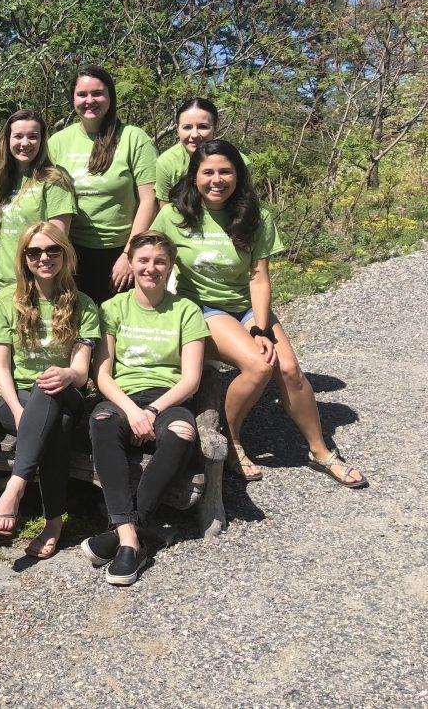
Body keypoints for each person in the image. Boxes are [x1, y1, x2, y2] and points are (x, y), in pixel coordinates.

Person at [155, 140, 367, 488]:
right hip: (202, 308)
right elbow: (153, 261)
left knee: (289, 368)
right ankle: (233, 440)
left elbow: (259, 278)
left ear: (238, 174)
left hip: (246, 305)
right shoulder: (174, 216)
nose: (217, 180)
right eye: (208, 172)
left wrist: (261, 327)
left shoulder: (256, 217)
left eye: (226, 171)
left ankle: (321, 451)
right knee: (257, 366)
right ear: (194, 177)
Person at [81, 231, 208, 587]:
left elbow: (191, 379)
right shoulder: (112, 308)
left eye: (159, 261)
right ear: (132, 263)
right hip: (121, 396)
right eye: (144, 260)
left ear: (170, 266)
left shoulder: (185, 310)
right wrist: (131, 409)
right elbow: (101, 374)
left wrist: (152, 410)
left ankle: (124, 533)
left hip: (168, 400)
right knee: (103, 421)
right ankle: (133, 539)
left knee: (183, 433)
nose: (151, 268)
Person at [0, 222, 100, 559]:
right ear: (23, 258)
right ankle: (54, 521)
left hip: (66, 393)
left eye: (53, 250)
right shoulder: (5, 301)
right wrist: (20, 413)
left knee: (48, 388)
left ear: (66, 253)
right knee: (55, 421)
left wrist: (67, 373)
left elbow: (80, 372)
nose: (44, 257)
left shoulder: (84, 304)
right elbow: (1, 369)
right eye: (34, 252)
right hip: (15, 400)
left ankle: (14, 488)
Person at [48, 66, 158, 303]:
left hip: (120, 252)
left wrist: (130, 255)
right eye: (82, 94)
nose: (90, 101)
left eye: (97, 93)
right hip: (72, 252)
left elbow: (149, 200)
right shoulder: (57, 142)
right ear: (72, 98)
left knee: (115, 327)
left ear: (110, 96)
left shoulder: (133, 138)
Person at [0, 108, 77, 290]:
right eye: (18, 136)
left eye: (33, 136)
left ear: (42, 140)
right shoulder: (0, 178)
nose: (25, 143)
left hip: (36, 285)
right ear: (7, 140)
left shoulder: (54, 180)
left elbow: (57, 242)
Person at [154, 97, 251, 206]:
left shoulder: (239, 161)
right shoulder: (166, 163)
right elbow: (164, 209)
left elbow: (245, 204)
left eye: (203, 127)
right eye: (187, 127)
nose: (194, 134)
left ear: (215, 128)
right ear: (177, 129)